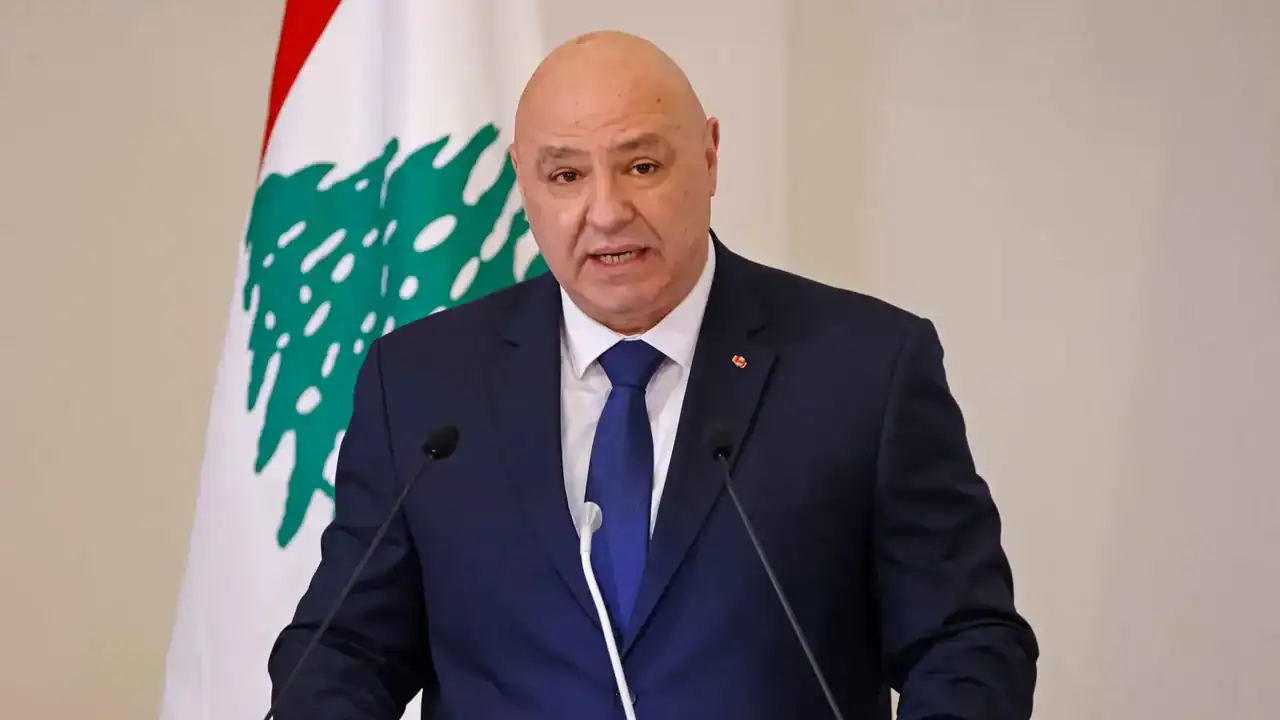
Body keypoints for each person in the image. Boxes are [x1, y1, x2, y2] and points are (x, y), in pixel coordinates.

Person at [268, 30, 1038, 719]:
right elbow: (345, 649)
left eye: (641, 165)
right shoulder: (422, 384)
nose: (606, 211)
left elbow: (964, 640)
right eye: (565, 176)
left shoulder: (864, 367)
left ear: (709, 156)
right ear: (523, 183)